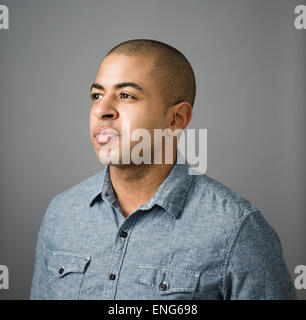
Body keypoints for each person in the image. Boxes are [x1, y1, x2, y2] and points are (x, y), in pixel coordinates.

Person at [30, 39, 297, 300]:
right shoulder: (61, 214)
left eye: (126, 95)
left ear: (176, 118)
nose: (102, 110)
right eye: (97, 95)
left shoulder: (236, 229)